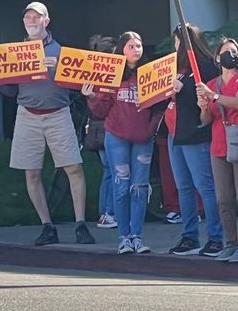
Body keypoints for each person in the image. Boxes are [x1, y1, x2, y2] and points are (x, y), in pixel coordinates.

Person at [0, 1, 94, 247]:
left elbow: (80, 84)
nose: (31, 21)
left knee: (73, 168)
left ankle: (81, 225)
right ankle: (47, 225)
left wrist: (61, 69)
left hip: (58, 112)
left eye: (36, 17)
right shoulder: (14, 53)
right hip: (27, 114)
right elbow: (11, 92)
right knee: (31, 173)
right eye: (27, 17)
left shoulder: (61, 51)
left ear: (46, 21)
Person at [82, 31, 162, 255]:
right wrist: (91, 97)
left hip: (143, 139)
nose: (136, 49)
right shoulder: (111, 75)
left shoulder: (150, 74)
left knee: (139, 188)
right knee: (121, 186)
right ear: (121, 49)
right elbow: (100, 110)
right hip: (116, 137)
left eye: (139, 45)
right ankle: (124, 238)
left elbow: (159, 107)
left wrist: (150, 128)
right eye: (131, 46)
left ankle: (137, 236)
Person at [196, 38, 238, 263]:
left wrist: (212, 96)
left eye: (234, 52)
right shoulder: (211, 84)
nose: (230, 56)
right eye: (225, 52)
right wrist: (203, 105)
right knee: (223, 198)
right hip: (219, 145)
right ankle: (230, 242)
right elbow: (205, 118)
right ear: (216, 58)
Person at [167, 23, 224, 257]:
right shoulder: (174, 67)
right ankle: (189, 236)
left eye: (177, 41)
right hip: (175, 134)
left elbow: (207, 99)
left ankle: (216, 237)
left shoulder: (205, 66)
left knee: (206, 187)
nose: (175, 45)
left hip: (196, 133)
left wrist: (185, 89)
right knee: (184, 188)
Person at [87, 35, 117, 229]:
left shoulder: (91, 74)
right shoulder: (106, 75)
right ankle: (108, 212)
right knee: (112, 171)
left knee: (109, 171)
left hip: (99, 127)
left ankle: (105, 212)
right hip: (106, 127)